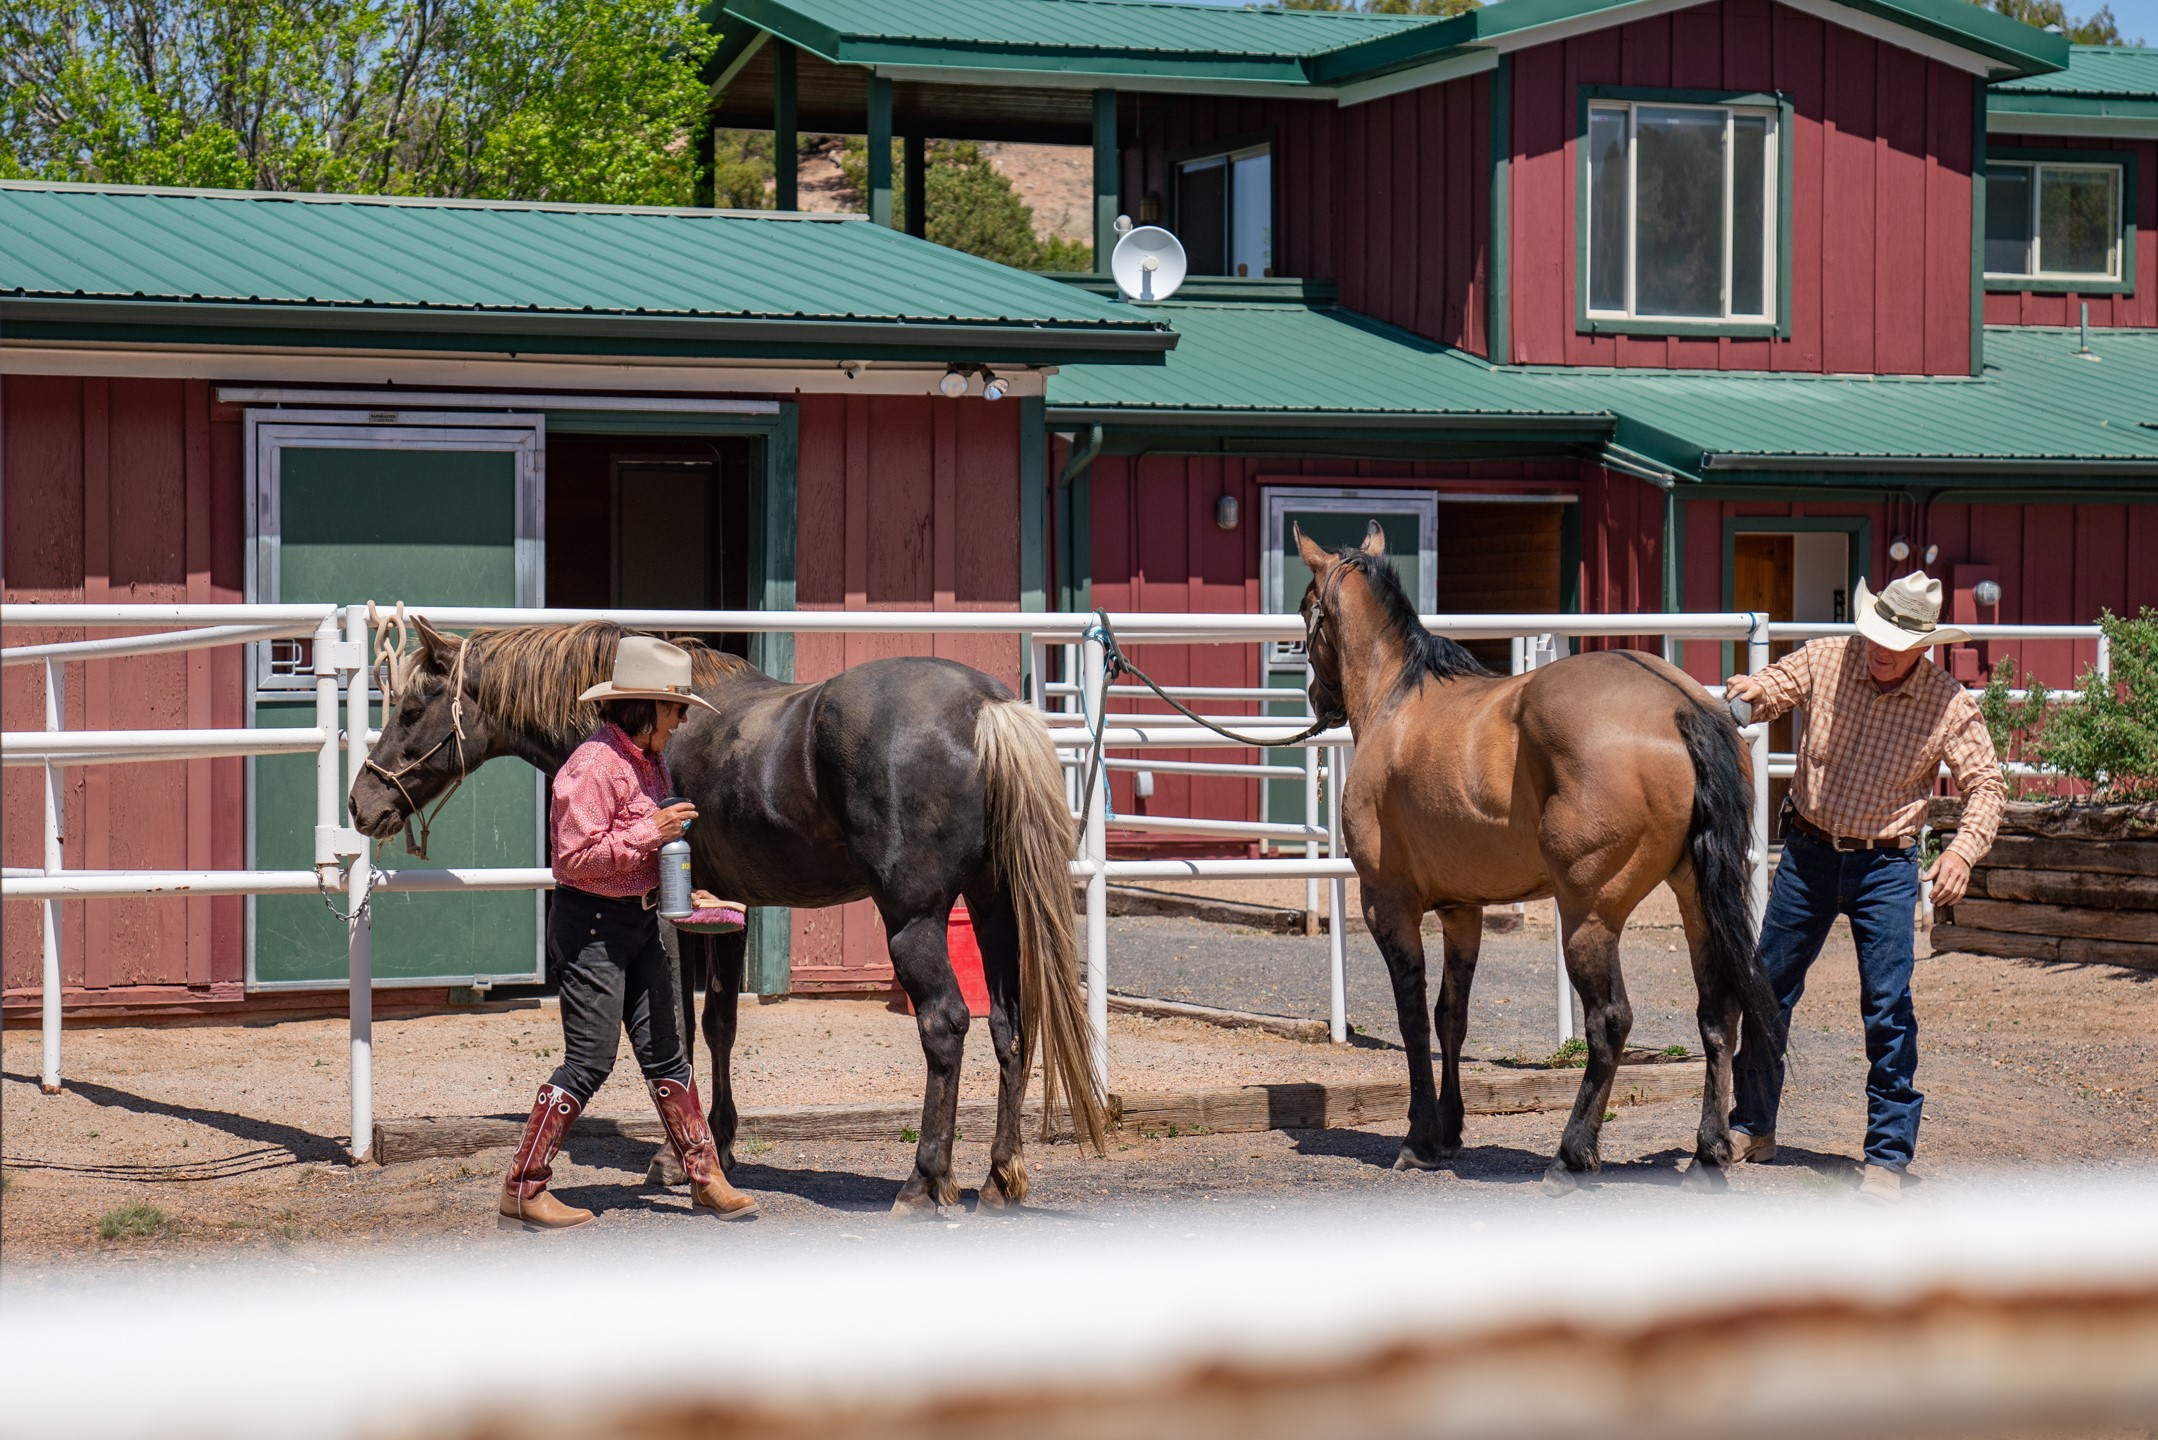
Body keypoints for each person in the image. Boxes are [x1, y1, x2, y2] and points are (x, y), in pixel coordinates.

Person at [1722, 572, 2005, 1204]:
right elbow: (1779, 684)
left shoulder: (1947, 704)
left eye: (1893, 643)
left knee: (1886, 1003)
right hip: (1808, 852)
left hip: (1887, 865)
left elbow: (1987, 783)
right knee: (1768, 988)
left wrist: (1962, 849)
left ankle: (1886, 1154)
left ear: (1923, 646)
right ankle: (1752, 1124)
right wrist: (1750, 693)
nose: (1877, 649)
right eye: (1873, 635)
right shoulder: (1831, 657)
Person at [500, 635, 758, 1231]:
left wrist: (683, 892)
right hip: (593, 925)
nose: (684, 718)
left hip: (639, 919)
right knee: (589, 1061)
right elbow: (574, 858)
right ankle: (523, 1184)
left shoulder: (648, 761)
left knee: (667, 1050)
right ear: (644, 708)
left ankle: (704, 1175)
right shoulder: (591, 766)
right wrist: (653, 832)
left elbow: (633, 852)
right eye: (675, 708)